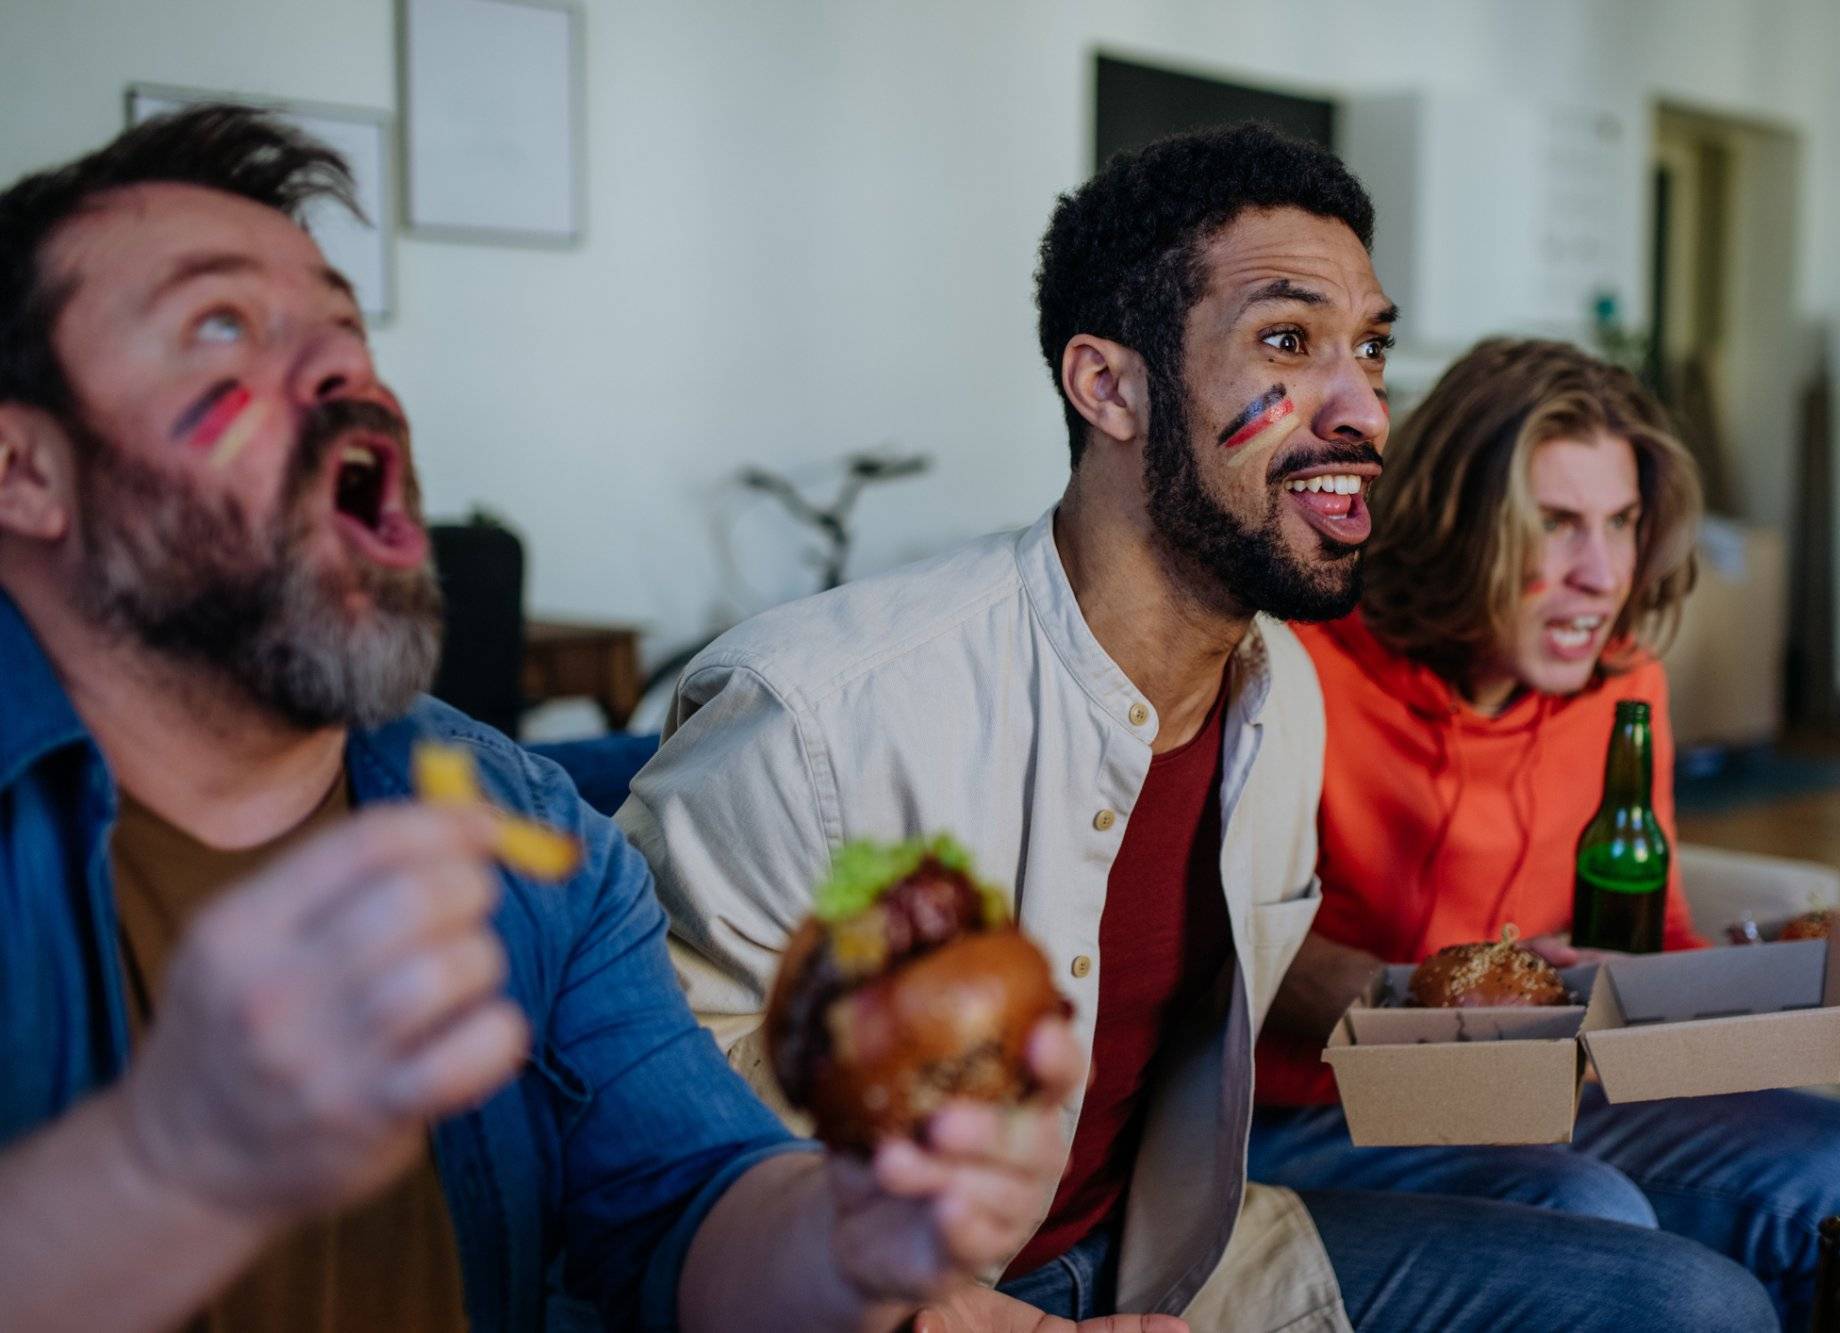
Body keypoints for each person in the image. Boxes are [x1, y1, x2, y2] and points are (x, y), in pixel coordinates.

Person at [620, 125, 1776, 1331]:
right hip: (897, 1304)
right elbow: (646, 1145)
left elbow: (1239, 985)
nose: (1364, 413)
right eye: (1287, 341)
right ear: (1106, 386)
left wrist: (1447, 997)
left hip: (1179, 1255)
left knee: (1694, 1306)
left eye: (1368, 350)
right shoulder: (817, 714)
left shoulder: (1280, 696)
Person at [0, 105, 1090, 1333]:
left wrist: (850, 1237)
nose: (344, 371)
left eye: (346, 328)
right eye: (221, 323)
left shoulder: (528, 834)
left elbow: (689, 1203)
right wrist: (163, 1165)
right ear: (23, 468)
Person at [1250, 337, 1840, 1331]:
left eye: (1621, 523)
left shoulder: (1622, 686)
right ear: (1454, 523)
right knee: (1590, 1213)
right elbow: (1230, 953)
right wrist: (1430, 1000)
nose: (1601, 575)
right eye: (1556, 525)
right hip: (1318, 1111)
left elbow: (1648, 936)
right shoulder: (1298, 670)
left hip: (1554, 1089)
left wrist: (1783, 1001)